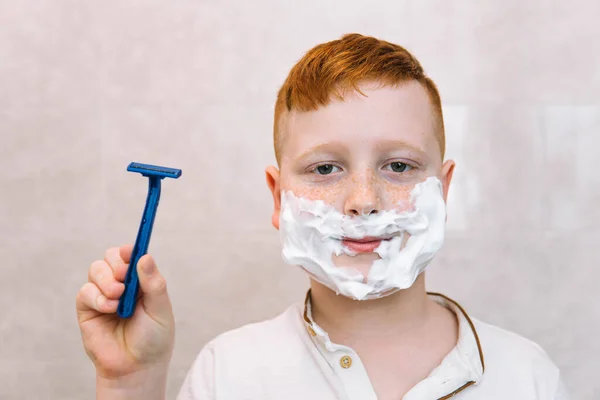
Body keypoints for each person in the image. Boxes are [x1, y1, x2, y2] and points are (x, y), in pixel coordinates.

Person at [76, 33, 569, 400]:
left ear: (443, 190)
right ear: (277, 197)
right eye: (325, 168)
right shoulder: (229, 374)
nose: (362, 199)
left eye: (398, 166)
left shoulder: (526, 377)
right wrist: (129, 381)